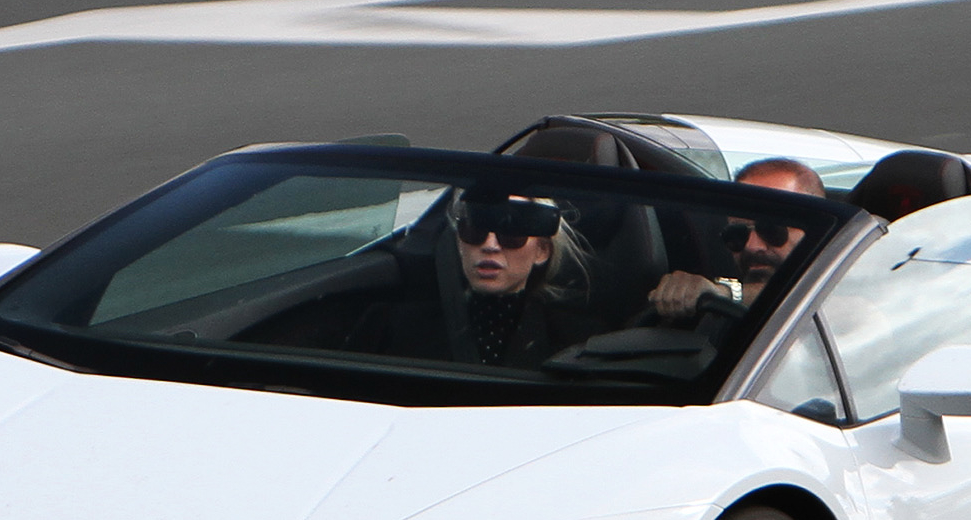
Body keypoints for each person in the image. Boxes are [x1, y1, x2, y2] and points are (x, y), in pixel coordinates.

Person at [338, 189, 595, 369]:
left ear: (542, 251)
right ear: (459, 243)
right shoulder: (390, 325)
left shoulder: (579, 341)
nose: (490, 245)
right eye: (475, 229)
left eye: (511, 232)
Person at [646, 157, 826, 321]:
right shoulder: (714, 317)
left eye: (772, 229)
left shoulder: (845, 290)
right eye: (738, 233)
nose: (752, 246)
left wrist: (726, 293)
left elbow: (803, 293)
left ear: (817, 231)